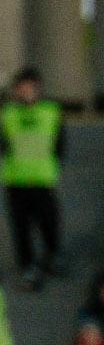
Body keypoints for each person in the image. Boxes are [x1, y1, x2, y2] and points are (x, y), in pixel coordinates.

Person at [4, 67, 65, 287]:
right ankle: (28, 265)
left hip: (42, 177)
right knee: (21, 226)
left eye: (31, 87)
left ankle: (52, 254)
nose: (27, 91)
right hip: (16, 178)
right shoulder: (7, 113)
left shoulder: (51, 110)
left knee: (49, 220)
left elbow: (60, 142)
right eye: (23, 87)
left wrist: (54, 162)